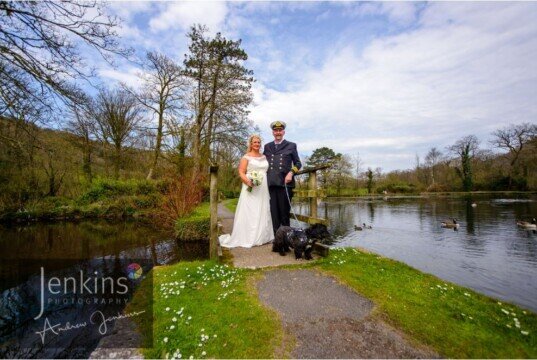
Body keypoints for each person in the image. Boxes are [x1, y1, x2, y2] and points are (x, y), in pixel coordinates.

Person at [219, 135, 274, 248]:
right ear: (251, 144)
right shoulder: (246, 157)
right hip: (250, 186)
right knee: (250, 210)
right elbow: (241, 171)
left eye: (259, 142)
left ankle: (263, 237)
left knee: (263, 209)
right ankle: (248, 237)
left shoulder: (264, 157)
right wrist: (248, 182)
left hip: (262, 187)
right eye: (255, 142)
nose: (257, 144)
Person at [263, 121, 302, 235]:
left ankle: (286, 239)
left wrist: (291, 172)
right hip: (271, 184)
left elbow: (298, 163)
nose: (278, 132)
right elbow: (263, 163)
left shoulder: (291, 145)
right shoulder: (267, 146)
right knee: (273, 213)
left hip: (285, 184)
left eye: (280, 130)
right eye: (276, 130)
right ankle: (276, 239)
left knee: (284, 213)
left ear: (283, 132)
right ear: (273, 132)